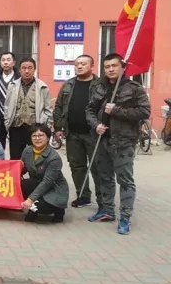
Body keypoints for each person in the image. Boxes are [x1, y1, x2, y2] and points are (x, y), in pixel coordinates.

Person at [85, 53, 150, 235]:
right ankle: (107, 210)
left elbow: (144, 112)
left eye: (114, 66)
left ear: (122, 67)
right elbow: (89, 110)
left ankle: (125, 217)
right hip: (102, 140)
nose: (111, 69)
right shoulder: (99, 87)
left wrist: (117, 110)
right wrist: (96, 125)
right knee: (104, 177)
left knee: (125, 180)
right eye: (107, 66)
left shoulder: (134, 88)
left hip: (123, 142)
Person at [53, 54, 101, 208]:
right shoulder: (68, 85)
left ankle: (103, 200)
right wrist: (58, 128)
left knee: (98, 167)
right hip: (72, 133)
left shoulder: (100, 85)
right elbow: (58, 106)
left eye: (83, 64)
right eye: (77, 64)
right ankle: (83, 196)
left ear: (92, 66)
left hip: (94, 134)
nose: (79, 66)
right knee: (77, 166)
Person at [4, 57, 53, 160]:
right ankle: (18, 171)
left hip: (35, 128)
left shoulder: (42, 87)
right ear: (19, 70)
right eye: (24, 68)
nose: (27, 71)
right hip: (16, 127)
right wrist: (7, 121)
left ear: (34, 69)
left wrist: (45, 126)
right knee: (15, 158)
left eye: (30, 68)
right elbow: (7, 106)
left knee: (36, 157)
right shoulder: (12, 86)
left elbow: (48, 109)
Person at [20, 123, 69, 223]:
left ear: (48, 138)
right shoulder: (27, 150)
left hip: (53, 188)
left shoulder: (54, 158)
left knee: (41, 207)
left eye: (41, 135)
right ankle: (33, 205)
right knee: (19, 185)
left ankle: (59, 210)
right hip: (36, 183)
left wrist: (30, 199)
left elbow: (47, 182)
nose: (37, 138)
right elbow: (22, 168)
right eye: (34, 135)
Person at [0, 52, 19, 150]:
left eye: (8, 60)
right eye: (3, 60)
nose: (5, 62)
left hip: (15, 118)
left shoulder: (19, 79)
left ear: (14, 62)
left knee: (16, 148)